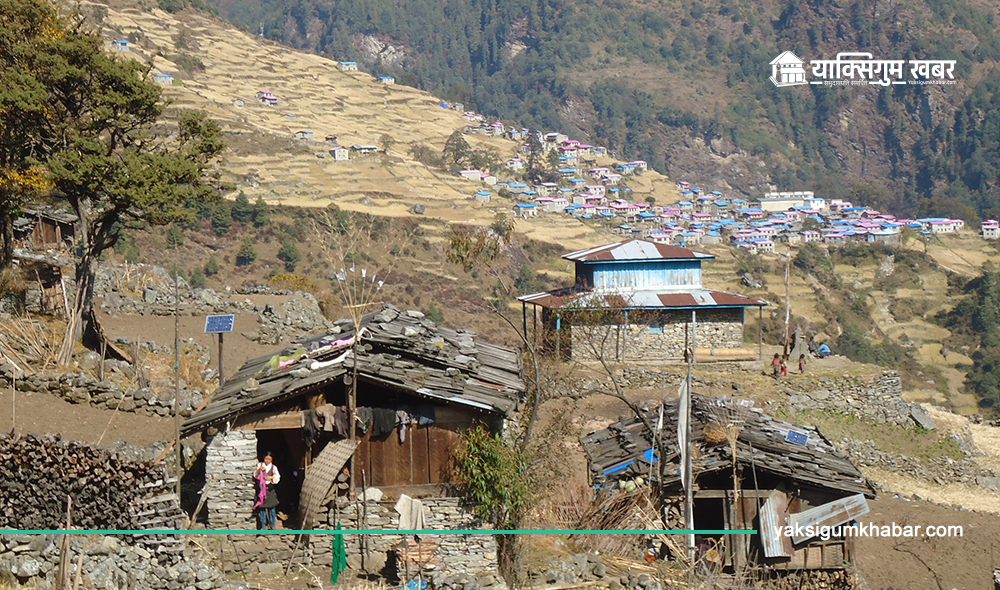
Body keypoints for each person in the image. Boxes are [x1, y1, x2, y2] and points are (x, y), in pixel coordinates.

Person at [255, 453, 281, 530]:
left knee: (272, 508)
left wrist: (271, 477)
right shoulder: (260, 465)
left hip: (270, 490)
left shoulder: (273, 468)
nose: (267, 461)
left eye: (269, 459)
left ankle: (273, 525)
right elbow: (255, 475)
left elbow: (277, 477)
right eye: (266, 459)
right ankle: (263, 525)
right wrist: (259, 471)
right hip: (261, 490)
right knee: (262, 509)